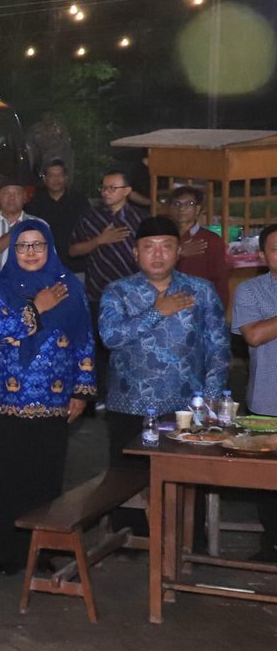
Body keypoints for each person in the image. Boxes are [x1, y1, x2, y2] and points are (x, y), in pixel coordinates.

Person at [0, 221, 96, 574]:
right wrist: (35, 309)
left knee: (43, 477)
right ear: (13, 251)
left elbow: (84, 341)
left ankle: (42, 549)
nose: (30, 252)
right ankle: (6, 550)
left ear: (50, 248)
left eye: (37, 245)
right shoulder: (3, 286)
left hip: (52, 400)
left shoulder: (69, 287)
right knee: (4, 477)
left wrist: (82, 391)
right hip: (4, 402)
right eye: (22, 246)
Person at [98, 215, 229, 468]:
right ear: (136, 253)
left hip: (188, 406)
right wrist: (156, 312)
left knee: (187, 479)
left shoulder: (201, 290)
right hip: (130, 406)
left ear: (178, 252)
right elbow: (110, 338)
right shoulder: (117, 291)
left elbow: (218, 348)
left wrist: (211, 398)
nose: (158, 254)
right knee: (128, 480)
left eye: (166, 246)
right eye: (149, 247)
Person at [233, 223, 277, 562]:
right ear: (263, 256)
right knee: (269, 483)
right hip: (267, 400)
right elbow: (255, 335)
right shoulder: (250, 291)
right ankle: (272, 545)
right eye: (276, 249)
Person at [70, 169, 148, 315]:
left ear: (127, 191)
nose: (106, 192)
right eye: (103, 188)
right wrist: (99, 240)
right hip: (98, 293)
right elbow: (73, 251)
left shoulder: (141, 218)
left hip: (134, 292)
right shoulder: (90, 218)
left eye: (112, 188)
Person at [0, 184, 48, 303]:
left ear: (25, 198)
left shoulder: (39, 224)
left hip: (28, 298)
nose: (12, 197)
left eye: (17, 193)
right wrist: (14, 232)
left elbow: (49, 261)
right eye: (6, 193)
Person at [167, 185, 230, 307]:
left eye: (189, 204)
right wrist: (177, 253)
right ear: (170, 209)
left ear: (198, 209)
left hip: (200, 305)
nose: (182, 208)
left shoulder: (211, 240)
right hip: (167, 303)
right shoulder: (161, 237)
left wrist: (220, 308)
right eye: (176, 203)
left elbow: (220, 279)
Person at [23, 160, 86, 269]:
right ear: (45, 179)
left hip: (75, 265)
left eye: (60, 175)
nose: (56, 180)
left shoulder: (79, 201)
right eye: (52, 175)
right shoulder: (34, 204)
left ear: (66, 178)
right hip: (43, 265)